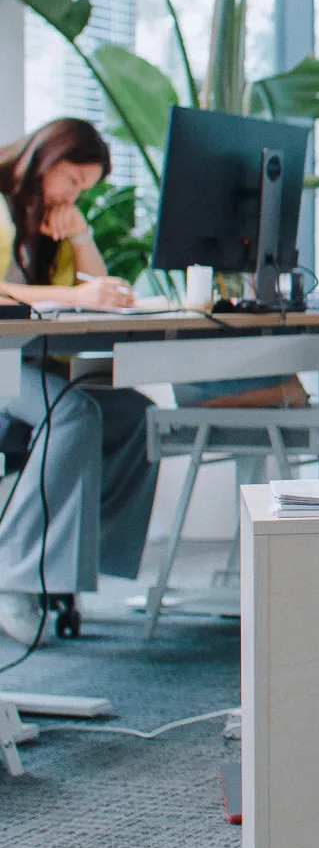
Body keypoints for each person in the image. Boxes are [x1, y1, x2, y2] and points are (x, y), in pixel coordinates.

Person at [0, 119, 157, 644]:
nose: (74, 195)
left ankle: (66, 563)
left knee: (133, 413)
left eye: (84, 189)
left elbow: (96, 285)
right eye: (72, 181)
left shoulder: (48, 219)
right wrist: (77, 298)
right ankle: (16, 574)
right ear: (45, 160)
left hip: (27, 363)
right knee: (71, 412)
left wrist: (81, 232)